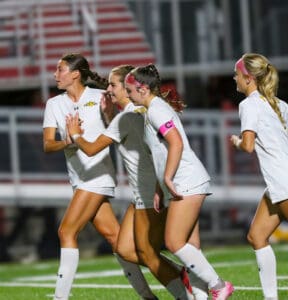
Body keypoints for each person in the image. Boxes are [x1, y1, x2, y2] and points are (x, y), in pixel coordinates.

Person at [66, 64, 209, 299]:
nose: (108, 89)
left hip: (149, 192)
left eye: (113, 85)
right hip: (146, 192)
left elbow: (91, 149)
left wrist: (75, 133)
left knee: (148, 253)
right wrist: (110, 115)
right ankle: (185, 275)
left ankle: (186, 292)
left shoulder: (131, 116)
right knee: (125, 250)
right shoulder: (134, 113)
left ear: (128, 87)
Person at [43, 53, 159, 300]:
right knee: (118, 242)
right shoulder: (54, 104)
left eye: (60, 69)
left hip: (99, 176)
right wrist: (69, 140)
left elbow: (117, 129)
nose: (55, 75)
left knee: (66, 232)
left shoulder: (100, 98)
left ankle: (60, 298)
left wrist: (105, 116)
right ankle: (159, 287)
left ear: (75, 74)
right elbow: (47, 144)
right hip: (79, 179)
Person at [124, 64, 234, 300]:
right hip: (182, 182)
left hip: (187, 181)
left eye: (129, 90)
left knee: (174, 242)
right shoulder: (151, 110)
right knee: (190, 248)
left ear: (143, 89)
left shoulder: (156, 110)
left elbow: (176, 143)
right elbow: (161, 152)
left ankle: (219, 285)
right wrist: (158, 188)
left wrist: (166, 178)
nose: (127, 94)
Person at [231, 53, 288, 300]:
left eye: (237, 73)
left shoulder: (249, 105)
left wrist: (236, 141)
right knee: (257, 236)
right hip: (278, 182)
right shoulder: (281, 104)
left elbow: (249, 145)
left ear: (248, 78)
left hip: (283, 181)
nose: (234, 77)